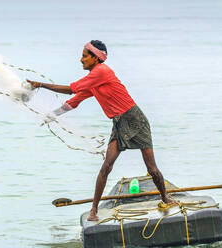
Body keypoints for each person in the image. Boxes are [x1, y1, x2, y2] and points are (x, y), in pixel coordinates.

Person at [27, 40, 175, 221]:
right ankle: (93, 211)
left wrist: (40, 85)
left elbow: (70, 89)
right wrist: (51, 115)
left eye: (84, 56)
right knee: (106, 166)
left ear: (96, 58)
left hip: (135, 120)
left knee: (152, 169)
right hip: (119, 123)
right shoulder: (93, 80)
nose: (81, 60)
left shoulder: (101, 72)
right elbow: (73, 101)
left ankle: (165, 197)